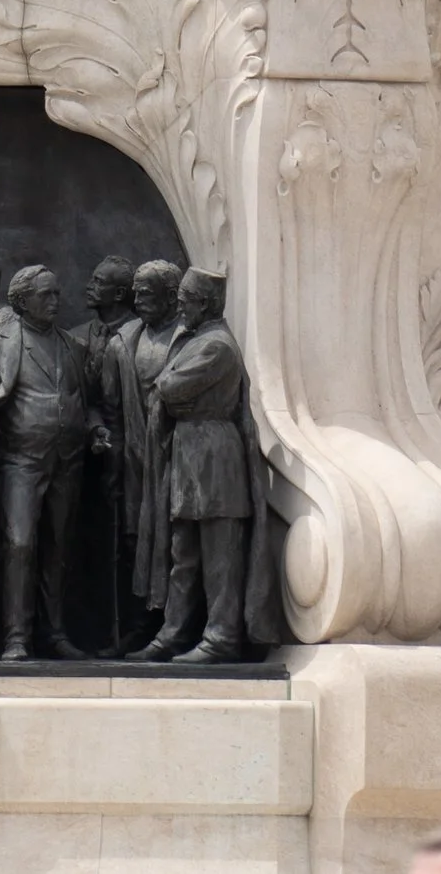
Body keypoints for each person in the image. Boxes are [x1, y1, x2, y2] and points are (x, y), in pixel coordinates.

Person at [135, 269, 279, 662]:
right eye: (179, 298)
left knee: (220, 558)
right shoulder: (194, 340)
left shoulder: (216, 346)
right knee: (184, 554)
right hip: (189, 456)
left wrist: (171, 392)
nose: (180, 307)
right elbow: (166, 388)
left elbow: (168, 388)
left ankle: (221, 638)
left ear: (208, 303)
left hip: (216, 458)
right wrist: (171, 393)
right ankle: (174, 633)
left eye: (187, 300)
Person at [0, 261, 108, 665]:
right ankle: (16, 635)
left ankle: (55, 632)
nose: (55, 300)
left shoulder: (73, 346)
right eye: (46, 294)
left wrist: (95, 430)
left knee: (58, 548)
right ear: (22, 300)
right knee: (20, 544)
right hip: (20, 462)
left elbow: (90, 403)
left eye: (57, 293)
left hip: (68, 461)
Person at [109, 256, 185, 628]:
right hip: (134, 461)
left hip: (178, 458)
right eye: (135, 292)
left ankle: (178, 626)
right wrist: (99, 432)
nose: (137, 300)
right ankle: (141, 629)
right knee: (133, 540)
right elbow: (105, 406)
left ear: (171, 296)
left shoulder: (189, 338)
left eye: (146, 293)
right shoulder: (123, 341)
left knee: (178, 543)